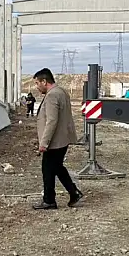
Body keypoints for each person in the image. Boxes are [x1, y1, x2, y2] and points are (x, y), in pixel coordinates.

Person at [32, 68, 84, 210]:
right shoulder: (62, 91)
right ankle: (73, 193)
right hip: (62, 138)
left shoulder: (52, 96)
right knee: (57, 167)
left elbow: (52, 121)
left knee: (48, 169)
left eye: (37, 83)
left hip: (55, 141)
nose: (37, 87)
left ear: (44, 81)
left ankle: (49, 200)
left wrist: (44, 143)